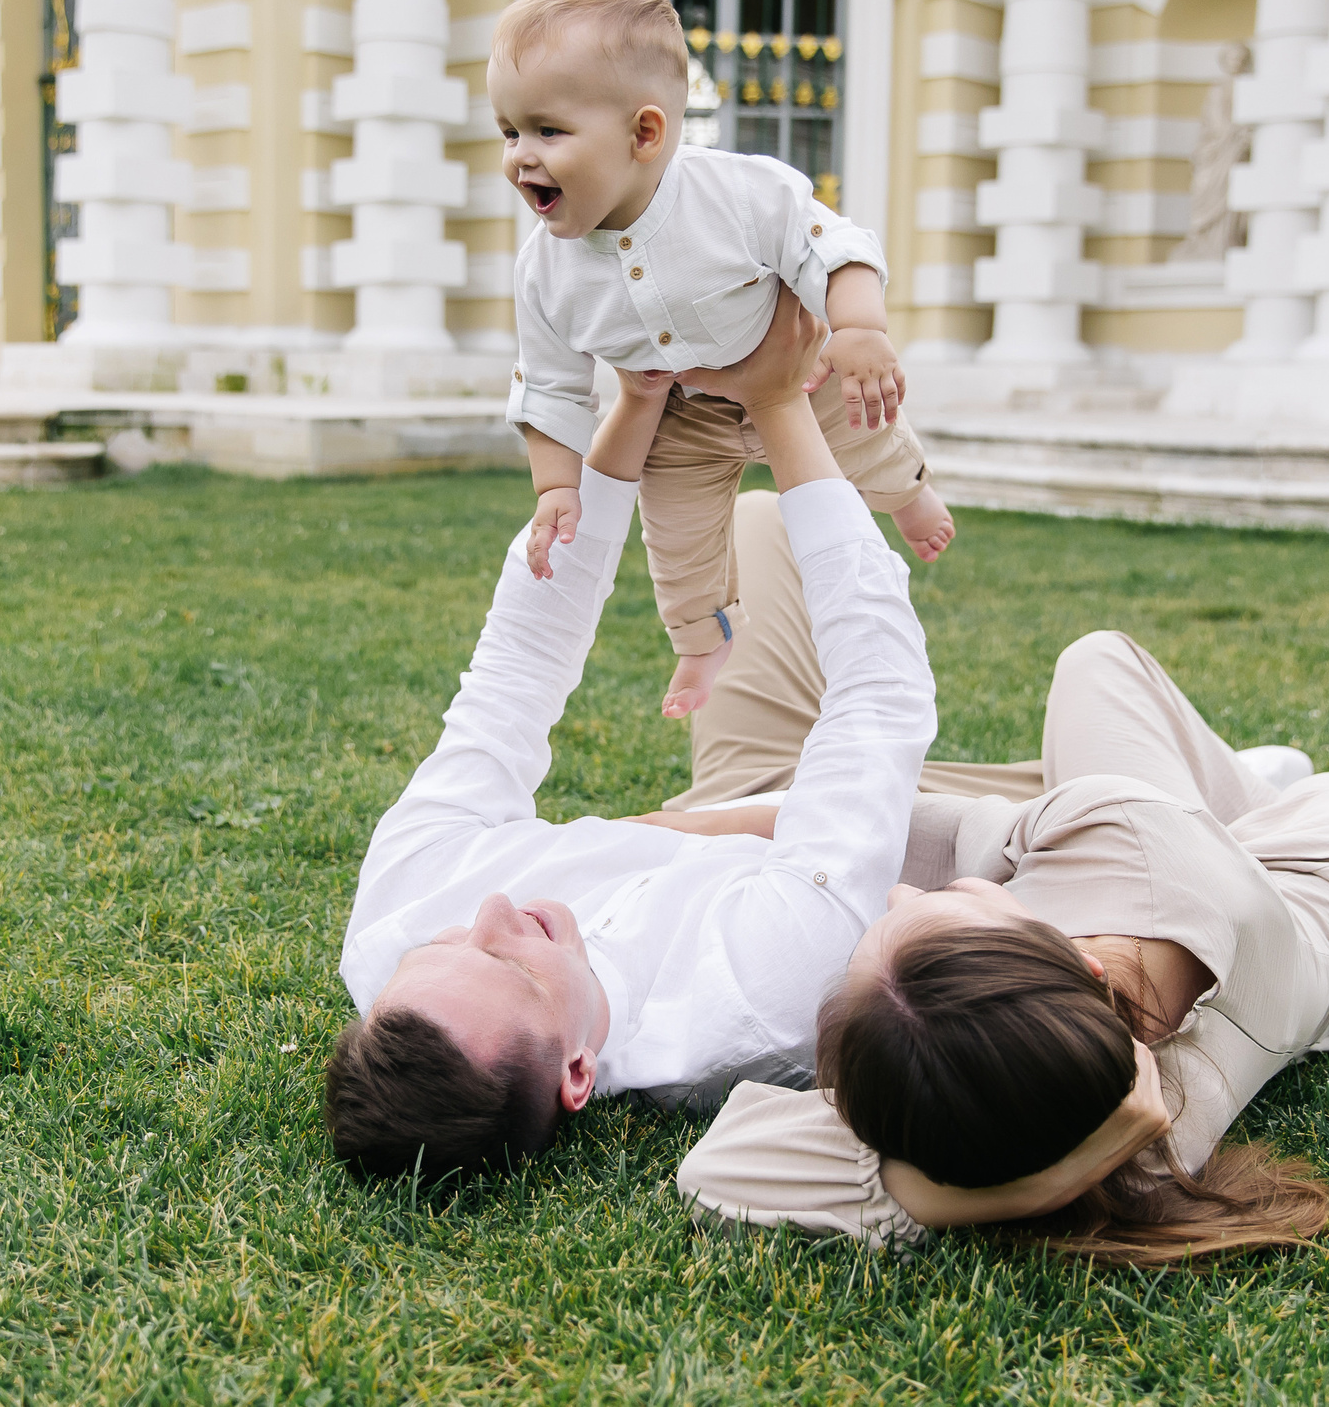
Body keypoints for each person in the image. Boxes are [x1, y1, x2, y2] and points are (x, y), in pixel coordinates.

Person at [668, 493, 1329, 1264]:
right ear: (1077, 961)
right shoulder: (1156, 1104)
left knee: (1076, 693)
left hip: (1211, 869)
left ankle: (1240, 791)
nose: (898, 895)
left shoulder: (1101, 1120)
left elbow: (720, 1163)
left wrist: (1014, 1188)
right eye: (950, 905)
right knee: (1116, 672)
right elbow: (859, 827)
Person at [326, 293, 937, 1179]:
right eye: (518, 966)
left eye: (448, 944)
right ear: (578, 1071)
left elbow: (512, 674)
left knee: (760, 522)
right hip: (876, 847)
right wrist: (778, 403)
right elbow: (879, 704)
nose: (493, 912)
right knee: (1100, 710)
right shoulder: (752, 993)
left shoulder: (395, 917)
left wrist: (636, 407)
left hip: (729, 801)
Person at [491, 0, 956, 720]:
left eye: (547, 131)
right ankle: (701, 640)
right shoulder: (544, 270)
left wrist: (859, 326)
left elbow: (832, 246)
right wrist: (556, 487)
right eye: (509, 132)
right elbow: (549, 390)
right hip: (680, 418)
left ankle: (909, 494)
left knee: (867, 438)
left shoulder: (738, 195)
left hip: (800, 372)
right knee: (675, 541)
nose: (520, 156)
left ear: (645, 134)